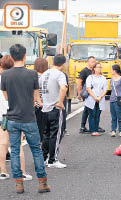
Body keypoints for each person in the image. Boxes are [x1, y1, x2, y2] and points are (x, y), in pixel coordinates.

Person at [1, 44, 50, 194]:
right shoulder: (32, 74)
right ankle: (42, 183)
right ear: (24, 56)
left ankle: (19, 185)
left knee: (14, 151)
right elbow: (36, 97)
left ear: (11, 56)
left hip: (13, 119)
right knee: (36, 150)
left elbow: (6, 97)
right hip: (29, 118)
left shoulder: (5, 75)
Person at [0, 55, 33, 181]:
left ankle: (3, 172)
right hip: (16, 115)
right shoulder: (17, 79)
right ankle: (22, 172)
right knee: (17, 145)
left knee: (2, 144)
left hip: (2, 115)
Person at [40, 54, 68, 169]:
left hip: (45, 108)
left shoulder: (45, 73)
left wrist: (41, 102)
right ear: (63, 63)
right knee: (55, 135)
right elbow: (63, 88)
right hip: (55, 108)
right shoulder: (60, 74)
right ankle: (53, 160)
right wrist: (60, 102)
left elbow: (38, 90)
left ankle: (44, 158)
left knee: (46, 134)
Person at [77, 56, 105, 134]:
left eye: (95, 61)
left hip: (95, 94)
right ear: (88, 62)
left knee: (92, 110)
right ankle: (83, 126)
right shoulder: (84, 71)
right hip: (87, 94)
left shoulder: (93, 71)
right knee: (87, 110)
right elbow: (79, 82)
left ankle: (94, 126)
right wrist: (79, 93)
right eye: (92, 61)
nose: (94, 63)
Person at [85, 63, 107, 136]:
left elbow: (105, 89)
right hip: (91, 99)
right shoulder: (90, 77)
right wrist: (95, 97)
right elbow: (88, 88)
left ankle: (96, 129)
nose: (100, 68)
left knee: (97, 115)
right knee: (92, 114)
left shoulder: (103, 78)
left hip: (100, 99)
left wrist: (100, 97)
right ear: (94, 68)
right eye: (98, 67)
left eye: (100, 67)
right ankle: (92, 130)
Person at [110, 64, 121, 137]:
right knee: (113, 116)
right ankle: (113, 130)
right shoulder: (111, 79)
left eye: (111, 69)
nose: (110, 71)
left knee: (119, 116)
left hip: (119, 100)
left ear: (115, 71)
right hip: (112, 99)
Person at [34, 58, 48, 144]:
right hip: (44, 105)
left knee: (36, 126)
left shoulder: (32, 76)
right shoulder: (46, 77)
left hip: (34, 105)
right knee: (43, 127)